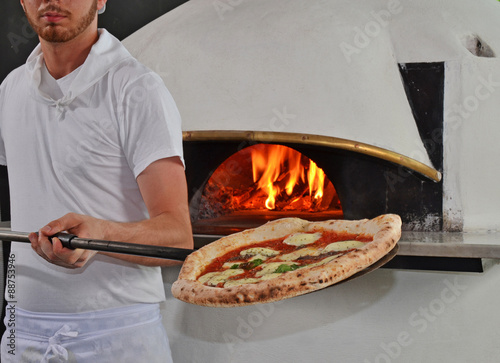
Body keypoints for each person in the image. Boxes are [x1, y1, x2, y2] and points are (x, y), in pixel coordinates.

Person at [0, 0, 193, 362]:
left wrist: (101, 235)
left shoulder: (138, 89)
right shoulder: (10, 90)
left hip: (118, 338)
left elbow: (178, 236)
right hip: (20, 334)